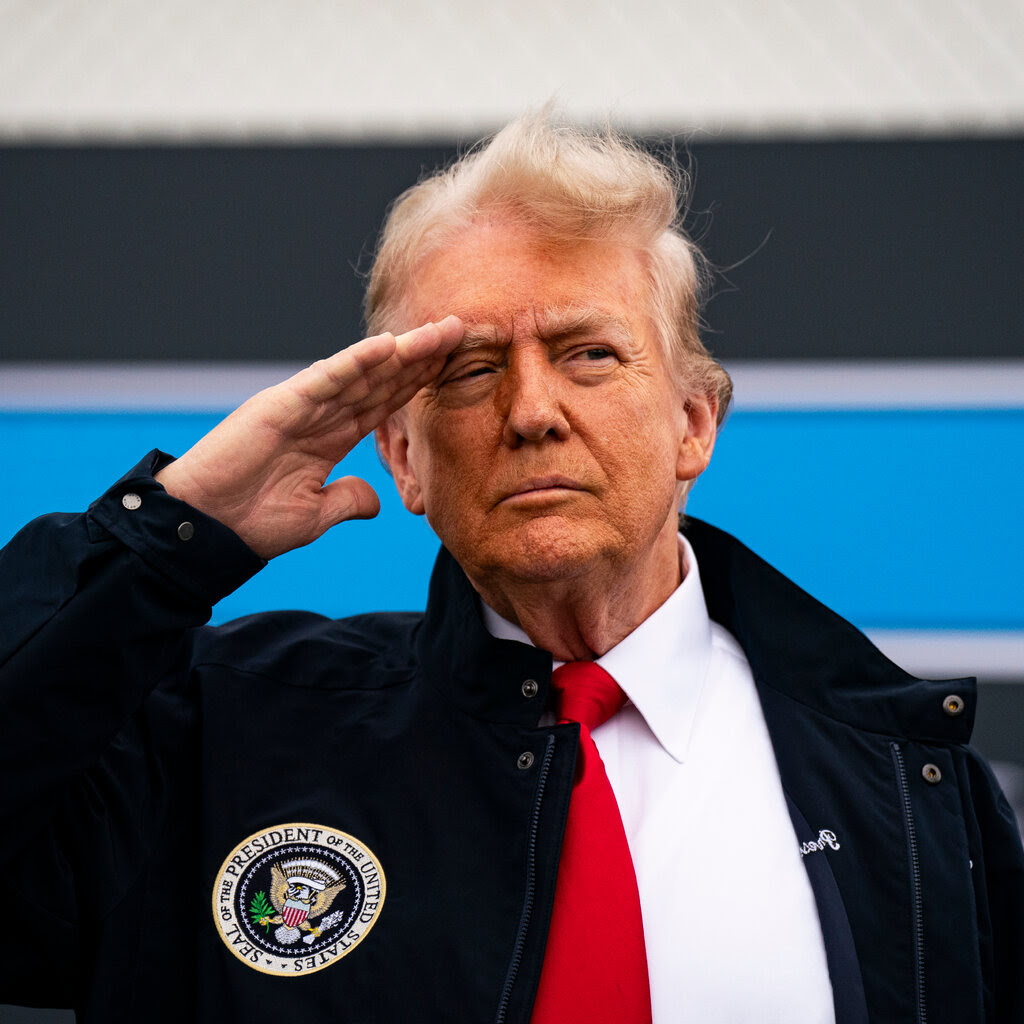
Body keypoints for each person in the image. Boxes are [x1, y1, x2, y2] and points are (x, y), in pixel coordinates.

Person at [0, 112, 1021, 1024]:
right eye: (471, 369)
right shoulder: (218, 736)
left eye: (589, 354)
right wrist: (166, 537)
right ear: (401, 454)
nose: (532, 411)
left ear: (692, 422)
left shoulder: (908, 780)